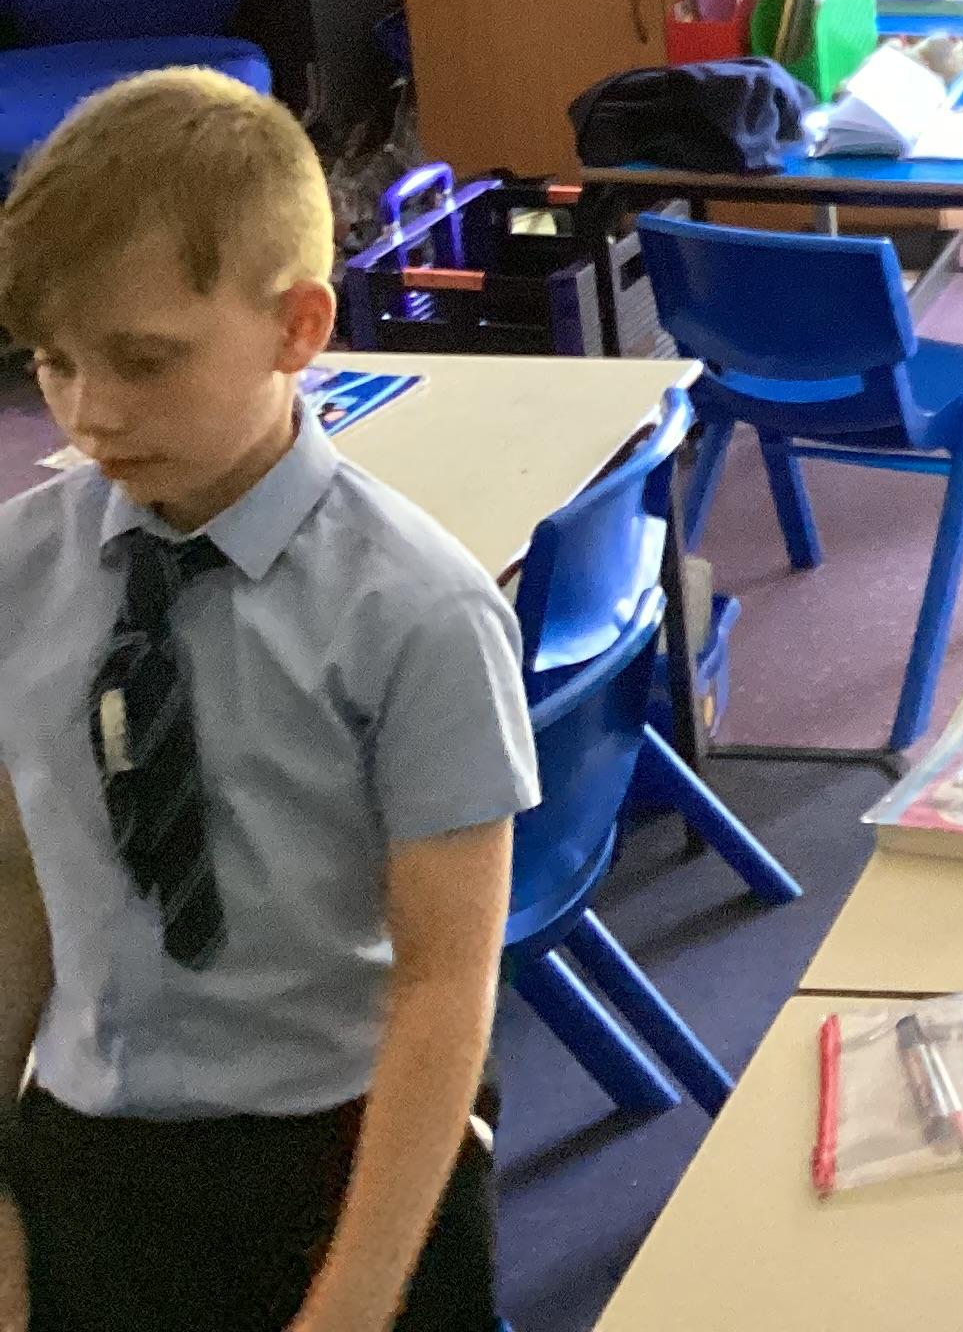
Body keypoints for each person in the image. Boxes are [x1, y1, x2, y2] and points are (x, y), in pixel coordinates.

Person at [0, 69, 538, 1332]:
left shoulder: (420, 612)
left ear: (298, 328)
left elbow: (444, 986)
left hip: (342, 1153)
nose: (91, 413)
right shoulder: (18, 571)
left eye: (144, 361)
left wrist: (350, 1305)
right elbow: (17, 882)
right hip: (92, 1147)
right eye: (54, 364)